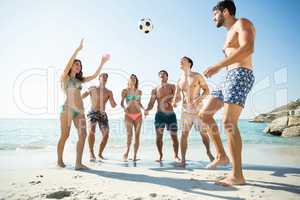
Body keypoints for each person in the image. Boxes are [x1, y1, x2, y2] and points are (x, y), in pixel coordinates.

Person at [199, 0, 256, 186]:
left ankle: (237, 175)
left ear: (225, 11)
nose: (213, 18)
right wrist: (222, 68)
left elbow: (248, 48)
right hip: (228, 76)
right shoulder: (227, 36)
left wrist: (217, 65)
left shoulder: (243, 23)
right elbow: (231, 56)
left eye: (214, 14)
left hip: (241, 73)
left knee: (229, 122)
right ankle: (222, 155)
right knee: (205, 114)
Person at [57, 39, 110, 170]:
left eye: (79, 65)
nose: (78, 66)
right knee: (65, 135)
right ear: (71, 66)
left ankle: (78, 163)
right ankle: (59, 161)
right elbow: (68, 64)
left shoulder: (80, 80)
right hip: (67, 110)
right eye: (76, 64)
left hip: (79, 112)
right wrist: (77, 50)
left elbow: (94, 76)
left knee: (83, 135)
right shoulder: (65, 77)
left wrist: (102, 63)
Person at [172, 56, 214, 167]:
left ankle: (208, 152)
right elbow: (178, 96)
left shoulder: (197, 76)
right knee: (184, 134)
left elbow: (207, 91)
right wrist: (174, 101)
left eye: (183, 60)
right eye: (180, 60)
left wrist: (198, 99)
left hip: (198, 109)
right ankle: (183, 159)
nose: (180, 61)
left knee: (203, 133)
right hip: (185, 110)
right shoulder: (179, 80)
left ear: (189, 63)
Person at [144, 70, 180, 162]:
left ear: (167, 77)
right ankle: (160, 155)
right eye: (160, 75)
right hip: (159, 115)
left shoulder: (172, 86)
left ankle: (176, 155)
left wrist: (174, 102)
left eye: (164, 74)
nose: (162, 76)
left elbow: (178, 97)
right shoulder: (155, 90)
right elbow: (151, 103)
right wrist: (147, 109)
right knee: (159, 137)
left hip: (170, 115)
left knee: (174, 136)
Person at [82, 73, 117, 161]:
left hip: (102, 114)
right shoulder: (93, 88)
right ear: (99, 78)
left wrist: (116, 103)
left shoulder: (109, 92)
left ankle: (100, 153)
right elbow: (83, 96)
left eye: (106, 77)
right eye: (103, 77)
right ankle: (91, 153)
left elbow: (113, 104)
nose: (105, 78)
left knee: (106, 135)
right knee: (91, 131)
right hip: (93, 113)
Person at [121, 74, 144, 162]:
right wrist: (124, 108)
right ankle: (126, 152)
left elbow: (139, 103)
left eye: (134, 78)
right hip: (128, 115)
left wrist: (145, 109)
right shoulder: (125, 91)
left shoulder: (139, 92)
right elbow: (122, 103)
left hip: (138, 115)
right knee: (129, 135)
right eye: (131, 78)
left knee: (137, 136)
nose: (133, 79)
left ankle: (134, 156)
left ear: (136, 80)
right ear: (129, 80)